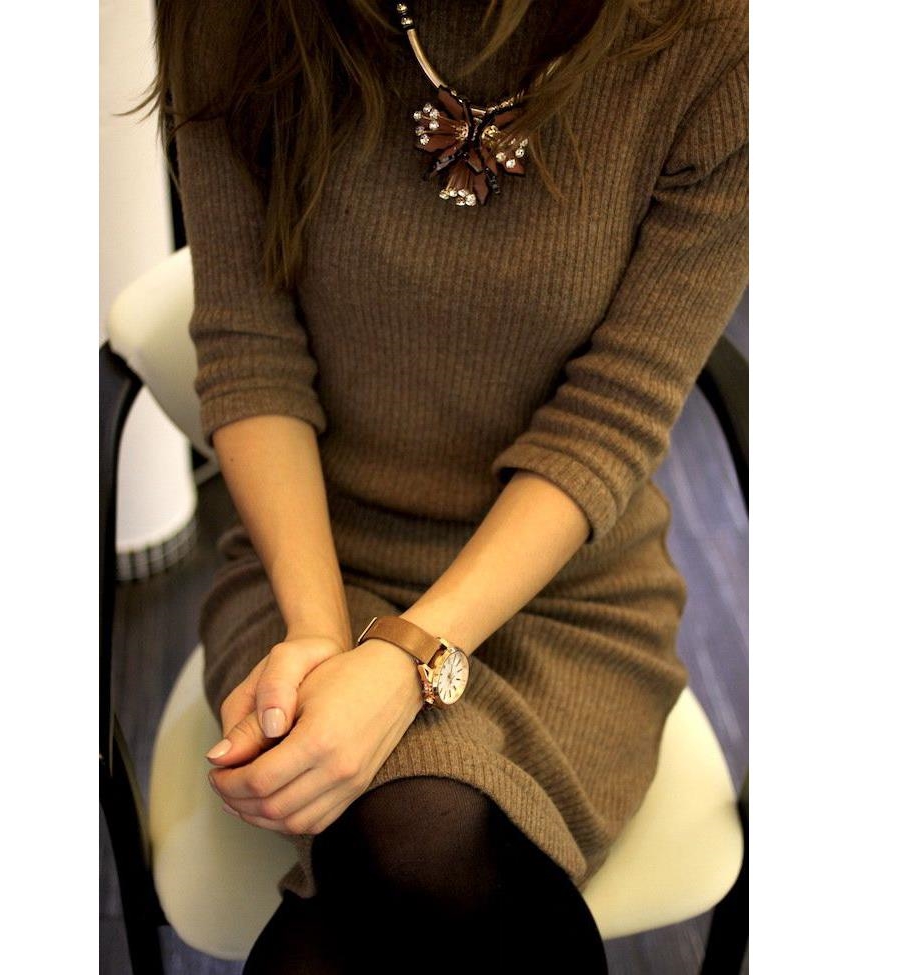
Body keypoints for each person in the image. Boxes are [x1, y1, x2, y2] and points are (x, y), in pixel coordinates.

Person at [141, 0, 747, 970]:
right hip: (313, 557)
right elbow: (251, 350)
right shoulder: (240, 16)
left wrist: (407, 657)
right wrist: (318, 635)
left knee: (418, 856)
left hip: (564, 584)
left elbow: (614, 412)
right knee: (424, 855)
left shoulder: (712, 41)